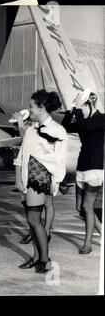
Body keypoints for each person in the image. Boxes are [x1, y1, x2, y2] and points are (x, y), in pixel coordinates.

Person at [15, 89, 67, 273]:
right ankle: (37, 257)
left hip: (40, 178)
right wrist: (18, 179)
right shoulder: (30, 130)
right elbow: (22, 155)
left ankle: (44, 259)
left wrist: (56, 182)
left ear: (42, 107)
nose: (29, 110)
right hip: (27, 179)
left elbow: (59, 160)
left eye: (31, 106)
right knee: (32, 221)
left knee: (33, 219)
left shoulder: (57, 130)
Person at [61, 89, 104, 254]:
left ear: (89, 105)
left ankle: (88, 244)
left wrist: (78, 110)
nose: (82, 113)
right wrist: (71, 109)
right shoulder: (84, 120)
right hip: (82, 166)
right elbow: (65, 127)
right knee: (81, 207)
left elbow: (82, 127)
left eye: (83, 109)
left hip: (95, 167)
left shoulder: (101, 119)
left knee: (87, 206)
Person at [10, 110, 55, 245]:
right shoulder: (30, 129)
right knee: (32, 207)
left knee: (47, 204)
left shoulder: (33, 130)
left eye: (17, 125)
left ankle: (45, 231)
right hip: (29, 174)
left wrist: (19, 121)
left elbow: (25, 137)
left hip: (42, 173)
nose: (15, 129)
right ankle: (37, 232)